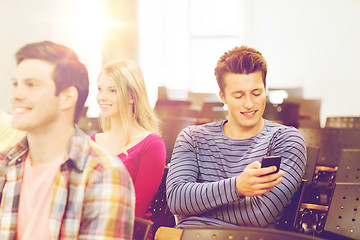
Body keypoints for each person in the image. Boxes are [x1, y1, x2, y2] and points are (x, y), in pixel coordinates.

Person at [0, 41, 135, 239]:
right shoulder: (5, 164)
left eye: (31, 85)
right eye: (16, 84)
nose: (15, 95)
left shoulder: (103, 174)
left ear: (67, 97)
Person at [166, 46, 306, 229]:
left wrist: (195, 209)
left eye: (256, 93)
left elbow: (261, 214)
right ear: (222, 96)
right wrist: (237, 187)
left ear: (265, 89)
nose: (249, 104)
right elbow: (176, 200)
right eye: (238, 96)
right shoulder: (193, 137)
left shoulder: (286, 140)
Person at [90, 59, 166, 221]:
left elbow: (134, 211)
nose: (101, 97)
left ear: (131, 96)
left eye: (112, 90)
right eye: (99, 89)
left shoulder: (151, 145)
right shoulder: (91, 142)